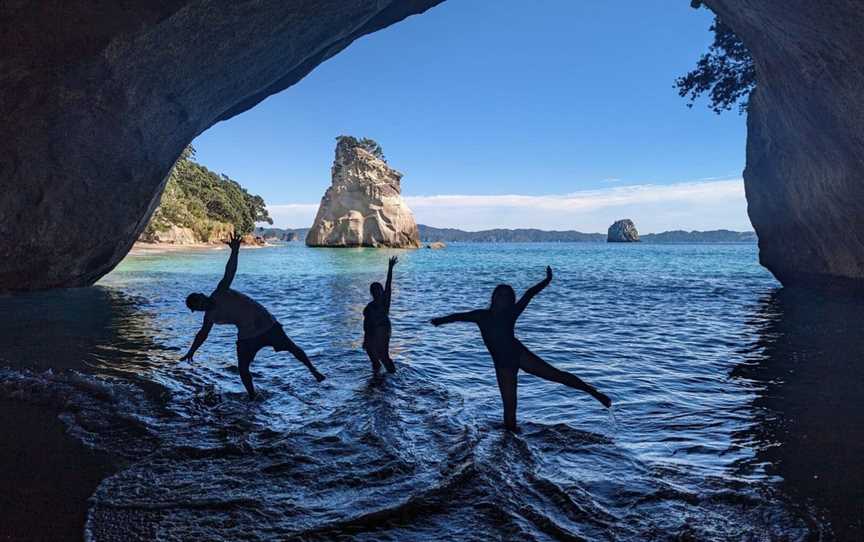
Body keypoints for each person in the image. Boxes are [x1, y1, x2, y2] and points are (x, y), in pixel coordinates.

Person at [430, 266, 611, 430]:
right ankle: (511, 440)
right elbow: (459, 316)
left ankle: (593, 392)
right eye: (500, 295)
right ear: (494, 298)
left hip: (520, 355)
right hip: (503, 367)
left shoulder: (512, 313)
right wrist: (440, 321)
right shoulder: (482, 316)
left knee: (558, 375)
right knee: (510, 410)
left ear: (511, 301)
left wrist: (546, 281)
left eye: (507, 296)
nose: (503, 299)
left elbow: (529, 294)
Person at [181, 233, 325, 398]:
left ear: (202, 295)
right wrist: (191, 351)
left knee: (292, 348)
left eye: (200, 301)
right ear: (197, 311)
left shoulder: (220, 291)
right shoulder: (209, 317)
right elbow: (202, 335)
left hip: (266, 324)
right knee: (242, 369)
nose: (202, 305)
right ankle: (252, 396)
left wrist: (235, 251)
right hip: (247, 335)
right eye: (198, 307)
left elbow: (230, 271)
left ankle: (314, 371)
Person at [363, 256, 398, 374]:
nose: (378, 292)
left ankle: (392, 376)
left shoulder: (384, 303)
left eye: (379, 290)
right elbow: (366, 324)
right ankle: (376, 376)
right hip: (371, 333)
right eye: (375, 290)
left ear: (382, 292)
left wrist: (390, 268)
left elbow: (388, 285)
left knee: (384, 356)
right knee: (374, 358)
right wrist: (365, 339)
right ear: (372, 293)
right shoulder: (369, 307)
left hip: (382, 331)